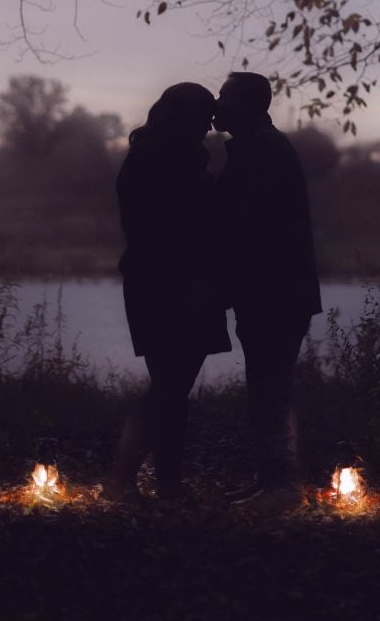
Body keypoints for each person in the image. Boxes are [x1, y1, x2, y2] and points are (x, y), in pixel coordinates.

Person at [111, 82, 231, 502]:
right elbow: (166, 230)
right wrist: (194, 280)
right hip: (172, 285)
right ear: (187, 116)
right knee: (170, 386)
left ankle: (160, 484)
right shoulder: (166, 158)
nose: (212, 122)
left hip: (163, 282)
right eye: (206, 113)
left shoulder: (156, 153)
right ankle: (133, 480)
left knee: (171, 386)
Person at [213, 72, 322, 509]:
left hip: (275, 293)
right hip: (274, 291)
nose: (216, 106)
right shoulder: (257, 147)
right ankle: (269, 479)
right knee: (265, 386)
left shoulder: (262, 153)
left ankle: (282, 488)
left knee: (271, 388)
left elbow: (249, 229)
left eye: (223, 98)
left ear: (245, 105)